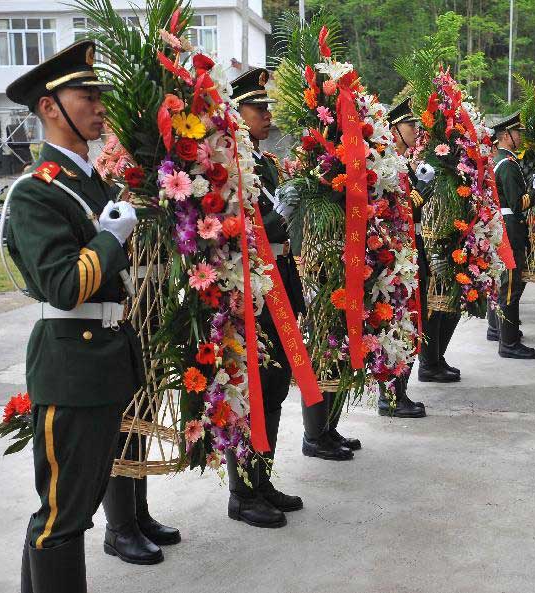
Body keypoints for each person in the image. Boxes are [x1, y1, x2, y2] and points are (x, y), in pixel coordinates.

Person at [5, 40, 144, 591]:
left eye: (98, 95)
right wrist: (111, 240)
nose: (99, 106)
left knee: (74, 508)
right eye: (85, 96)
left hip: (102, 362)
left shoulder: (89, 182)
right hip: (71, 364)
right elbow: (64, 285)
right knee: (62, 516)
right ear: (49, 108)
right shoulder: (35, 193)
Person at [226, 68, 306, 527]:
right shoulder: (229, 163)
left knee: (274, 384)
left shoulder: (269, 162)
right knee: (249, 385)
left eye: (267, 106)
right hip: (250, 282)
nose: (267, 114)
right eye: (258, 108)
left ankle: (262, 478)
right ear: (236, 113)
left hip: (280, 274)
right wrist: (279, 216)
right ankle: (241, 493)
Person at [377, 97, 435, 418]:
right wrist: (420, 195)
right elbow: (396, 211)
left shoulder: (404, 165)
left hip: (412, 250)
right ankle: (391, 395)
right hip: (397, 255)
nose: (415, 130)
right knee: (399, 323)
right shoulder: (388, 163)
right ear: (395, 130)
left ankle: (399, 391)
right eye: (410, 125)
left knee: (411, 322)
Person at [486, 112, 535, 359]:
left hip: (505, 226)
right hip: (510, 227)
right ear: (505, 136)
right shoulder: (508, 165)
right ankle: (508, 343)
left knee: (504, 283)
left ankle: (499, 330)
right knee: (511, 286)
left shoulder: (500, 159)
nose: (520, 137)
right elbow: (518, 203)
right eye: (517, 133)